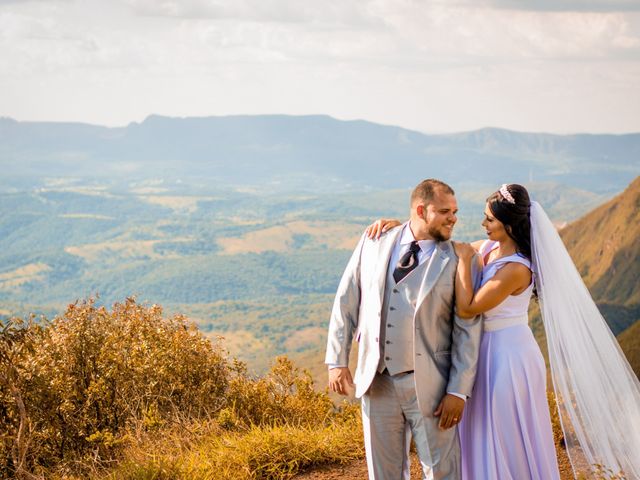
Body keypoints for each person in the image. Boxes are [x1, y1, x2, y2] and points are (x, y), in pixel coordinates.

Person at [366, 183, 640, 479]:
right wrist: (404, 229)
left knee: (504, 432)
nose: (483, 225)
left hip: (509, 357)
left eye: (489, 220)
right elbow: (441, 246)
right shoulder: (488, 248)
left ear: (509, 226)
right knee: (481, 429)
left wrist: (466, 263)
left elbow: (469, 308)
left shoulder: (517, 269)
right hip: (485, 352)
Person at [325, 178, 482, 480]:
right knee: (383, 473)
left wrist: (458, 391)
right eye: (445, 211)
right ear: (421, 211)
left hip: (433, 385)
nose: (454, 218)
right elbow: (346, 300)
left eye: (455, 211)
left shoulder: (459, 258)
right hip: (377, 380)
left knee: (441, 472)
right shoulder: (374, 241)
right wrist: (337, 361)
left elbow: (468, 329)